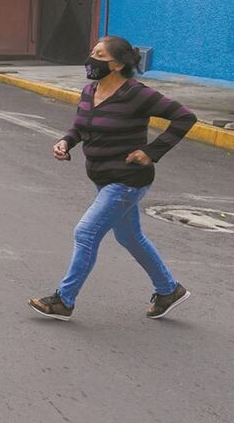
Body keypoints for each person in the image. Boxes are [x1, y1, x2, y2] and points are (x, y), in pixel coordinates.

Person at [29, 35, 197, 321]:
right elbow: (81, 127)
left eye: (99, 55)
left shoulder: (137, 94)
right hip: (102, 178)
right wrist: (66, 142)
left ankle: (63, 300)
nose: (91, 59)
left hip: (128, 180)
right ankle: (168, 290)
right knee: (130, 237)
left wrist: (151, 152)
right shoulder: (89, 91)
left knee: (85, 233)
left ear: (117, 64)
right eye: (92, 52)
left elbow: (184, 117)